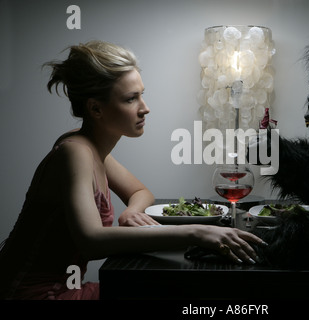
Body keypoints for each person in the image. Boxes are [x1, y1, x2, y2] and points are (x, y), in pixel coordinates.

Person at [0, 41, 264, 300]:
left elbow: (140, 192)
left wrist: (131, 212)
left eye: (142, 94)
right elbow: (91, 241)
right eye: (131, 98)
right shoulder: (75, 151)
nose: (144, 108)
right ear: (95, 108)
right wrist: (198, 232)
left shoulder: (91, 149)